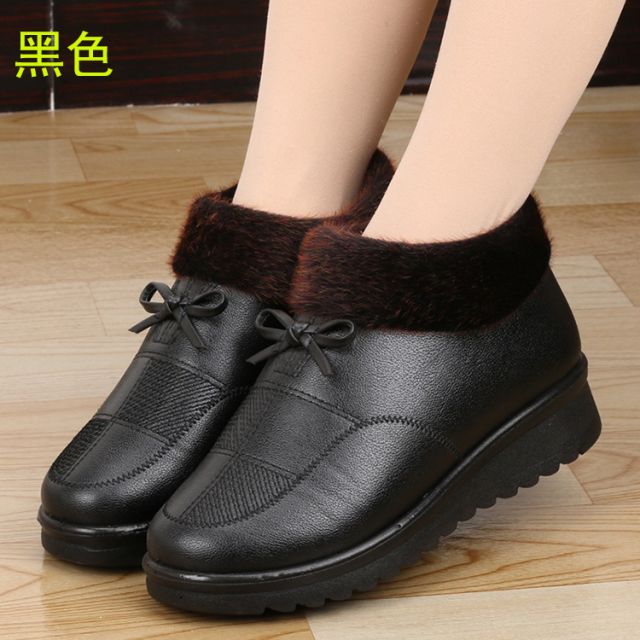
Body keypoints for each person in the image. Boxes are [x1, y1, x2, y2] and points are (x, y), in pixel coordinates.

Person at [40, 0, 626, 616]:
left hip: (471, 298)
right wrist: (260, 243)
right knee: (295, 182)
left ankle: (449, 252)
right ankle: (290, 207)